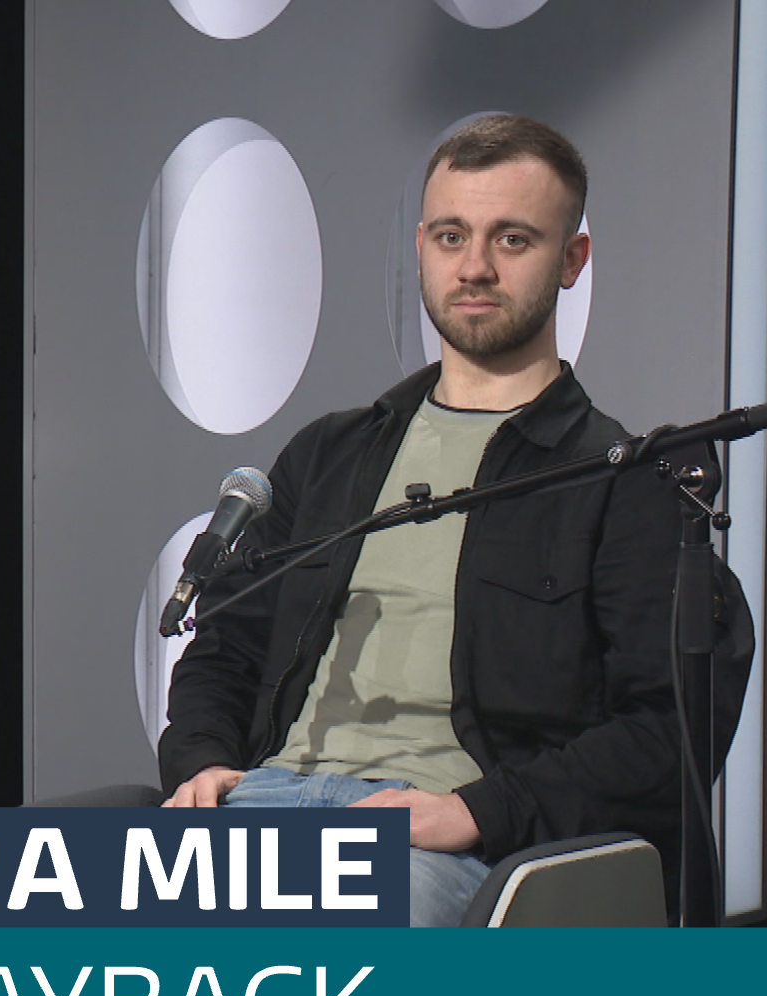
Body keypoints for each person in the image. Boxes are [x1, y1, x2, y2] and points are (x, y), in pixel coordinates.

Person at [158, 114, 682, 926]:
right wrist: (201, 760)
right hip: (258, 802)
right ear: (421, 248)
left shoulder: (622, 482)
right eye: (451, 236)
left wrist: (480, 810)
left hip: (444, 844)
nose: (474, 267)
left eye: (512, 239)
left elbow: (662, 731)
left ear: (571, 259)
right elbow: (227, 644)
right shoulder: (328, 455)